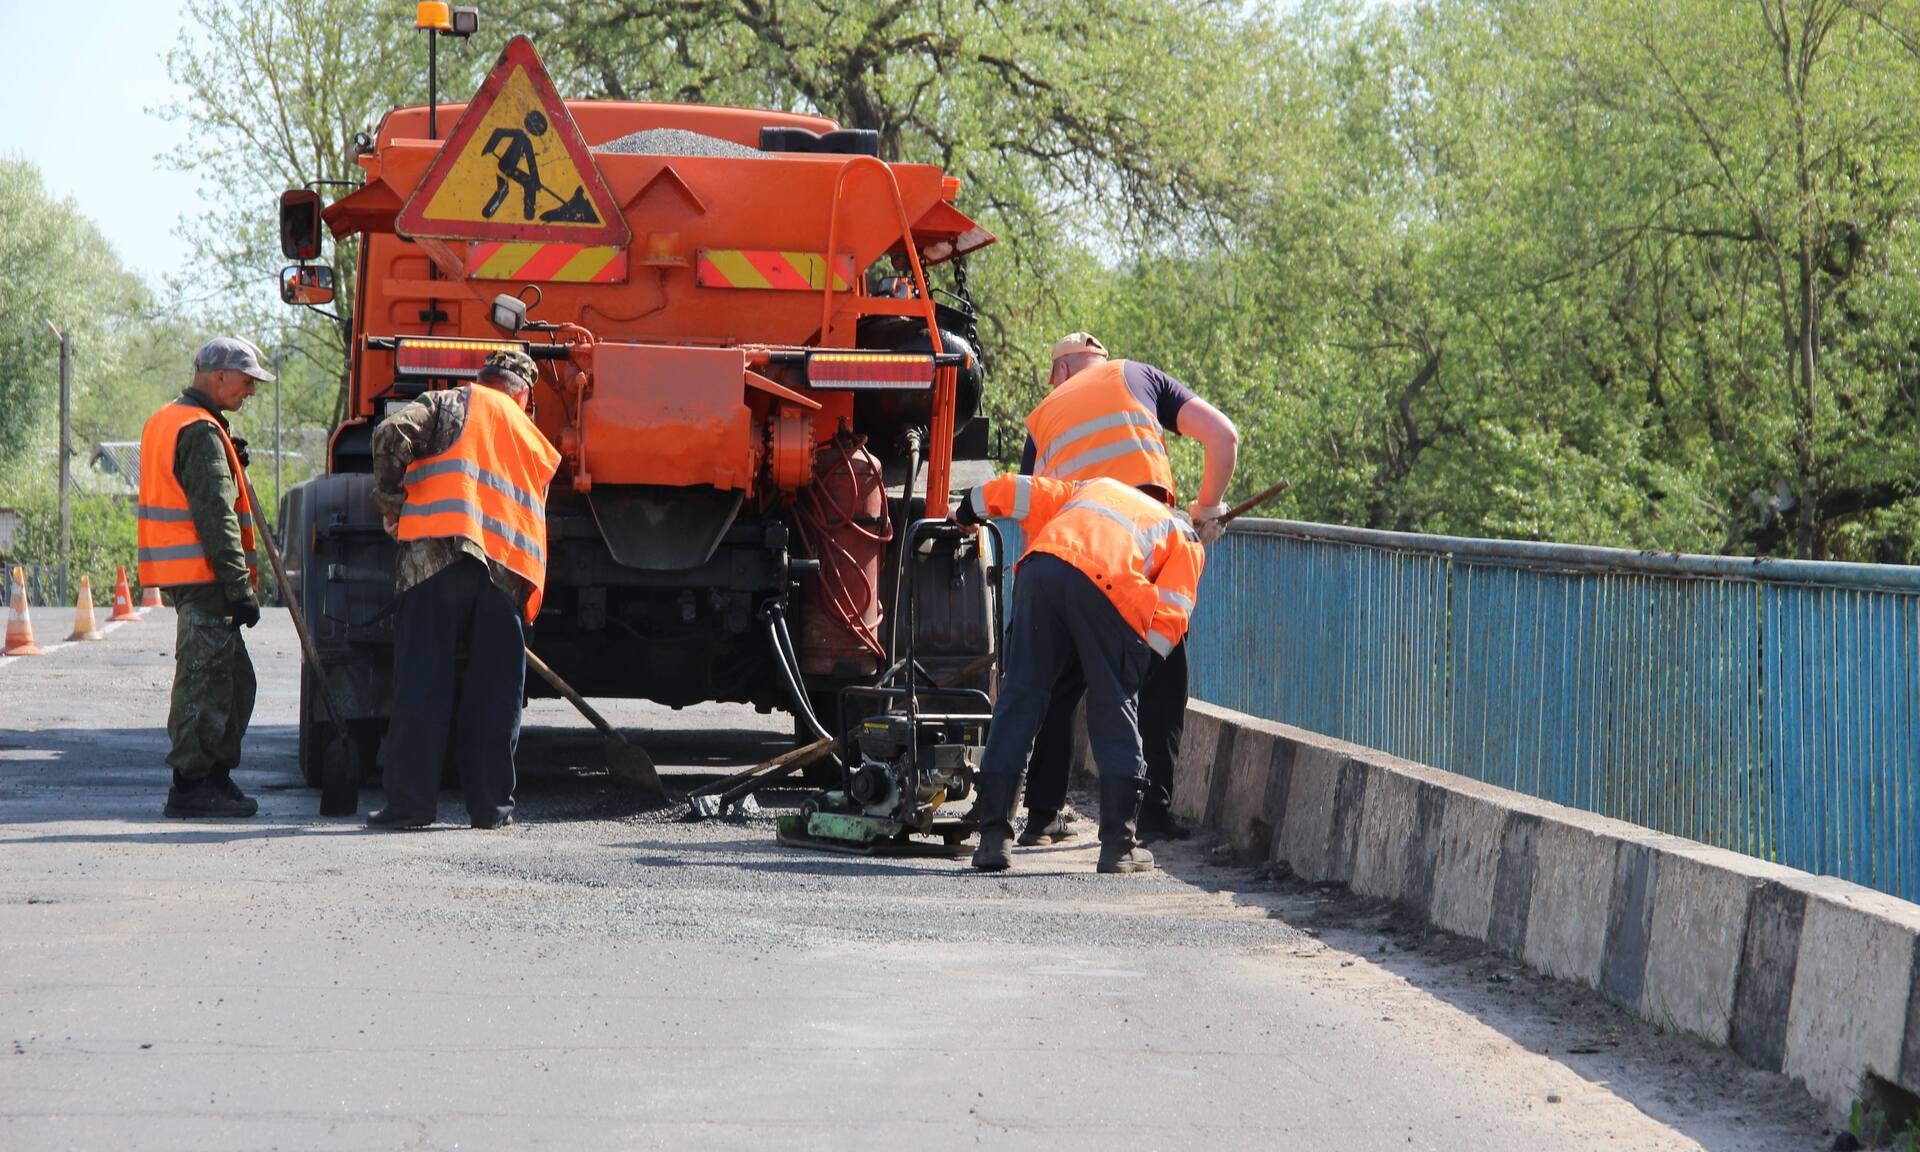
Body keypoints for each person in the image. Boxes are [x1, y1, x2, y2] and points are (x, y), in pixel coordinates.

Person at [1014, 333, 1238, 847]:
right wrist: (1206, 510)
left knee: (1058, 684)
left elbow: (1029, 512)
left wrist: (1031, 596)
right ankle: (1151, 814)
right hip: (1146, 542)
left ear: (1061, 372)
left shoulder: (1042, 417)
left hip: (1073, 554)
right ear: (1103, 361)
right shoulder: (1139, 376)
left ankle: (1042, 816)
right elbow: (1223, 436)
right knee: (1161, 673)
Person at [956, 473, 1205, 874]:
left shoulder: (1094, 489)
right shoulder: (1185, 537)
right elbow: (1172, 613)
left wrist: (968, 508)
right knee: (1113, 704)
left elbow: (1018, 490)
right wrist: (1138, 667)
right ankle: (1119, 845)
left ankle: (993, 839)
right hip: (1108, 588)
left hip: (1041, 571)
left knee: (1020, 697)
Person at [365, 349, 560, 830]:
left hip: (434, 561)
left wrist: (390, 502)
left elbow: (390, 433)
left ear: (483, 377)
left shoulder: (449, 403)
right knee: (496, 694)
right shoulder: (535, 441)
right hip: (505, 575)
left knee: (422, 683)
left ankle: (410, 807)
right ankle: (491, 808)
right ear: (523, 394)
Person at [137, 337, 272, 819]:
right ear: (219, 377)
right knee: (205, 682)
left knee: (233, 681)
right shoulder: (198, 431)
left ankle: (213, 777)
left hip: (195, 576)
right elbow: (216, 517)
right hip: (206, 578)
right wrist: (239, 587)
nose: (250, 391)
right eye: (246, 381)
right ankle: (191, 786)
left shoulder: (178, 420)